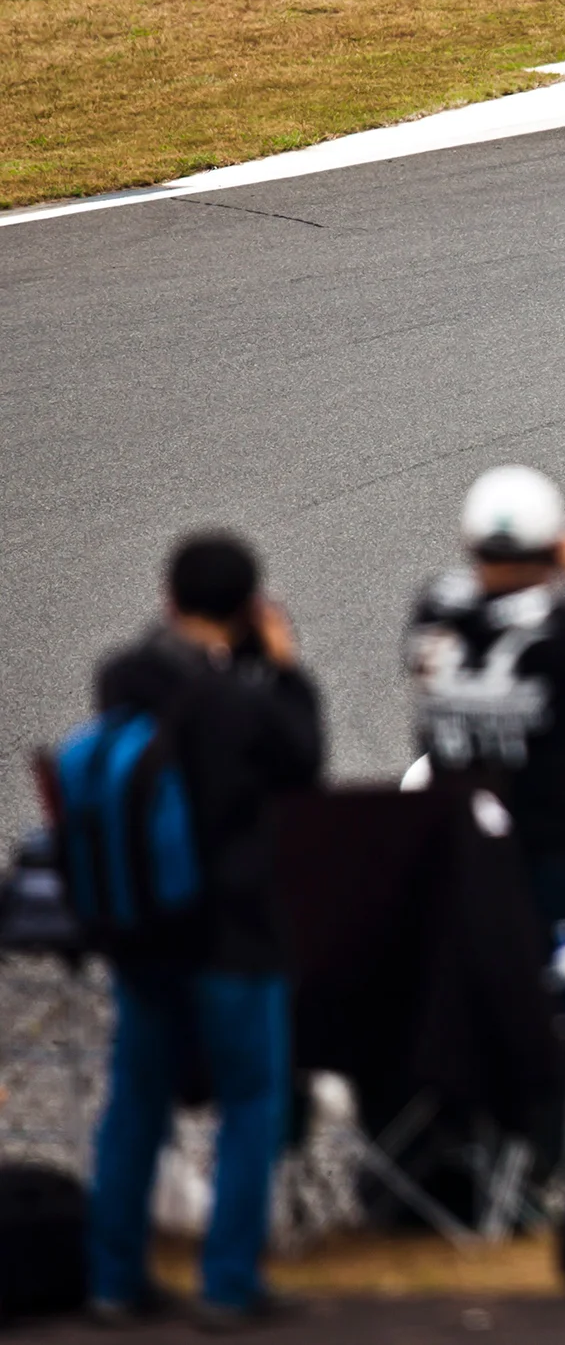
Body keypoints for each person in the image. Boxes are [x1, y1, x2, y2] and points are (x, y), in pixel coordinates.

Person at [83, 534, 325, 1328]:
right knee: (252, 1098)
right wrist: (284, 668)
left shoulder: (124, 679)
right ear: (251, 607)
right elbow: (303, 759)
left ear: (168, 597)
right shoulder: (242, 702)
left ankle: (112, 1277)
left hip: (142, 924)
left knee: (137, 1100)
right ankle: (227, 1281)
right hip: (229, 930)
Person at [405, 464, 565, 1185]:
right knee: (553, 1004)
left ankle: (461, 1146)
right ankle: (540, 1158)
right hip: (549, 850)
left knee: (464, 996)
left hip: (456, 848)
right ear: (551, 545)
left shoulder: (434, 608)